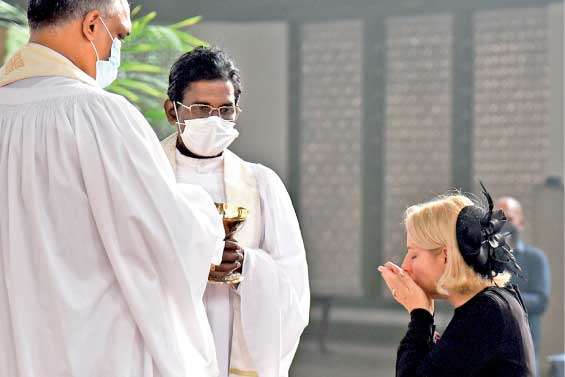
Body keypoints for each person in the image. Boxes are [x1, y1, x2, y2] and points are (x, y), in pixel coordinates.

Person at [0, 1, 225, 376]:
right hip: (95, 352)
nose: (115, 49)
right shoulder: (100, 115)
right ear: (91, 26)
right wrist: (201, 208)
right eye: (118, 34)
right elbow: (170, 237)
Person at [161, 47, 310, 377]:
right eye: (201, 109)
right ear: (172, 111)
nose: (214, 120)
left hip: (233, 339)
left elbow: (294, 283)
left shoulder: (261, 184)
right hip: (168, 340)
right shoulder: (149, 178)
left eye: (225, 110)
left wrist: (248, 265)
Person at [378, 185, 535, 377]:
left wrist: (420, 314)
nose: (405, 266)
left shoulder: (487, 310)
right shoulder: (494, 302)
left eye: (414, 254)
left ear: (445, 255)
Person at [496, 196, 551, 376]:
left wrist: (502, 297)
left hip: (524, 344)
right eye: (499, 219)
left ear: (521, 223)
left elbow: (541, 301)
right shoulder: (486, 259)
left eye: (509, 219)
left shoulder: (535, 258)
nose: (504, 225)